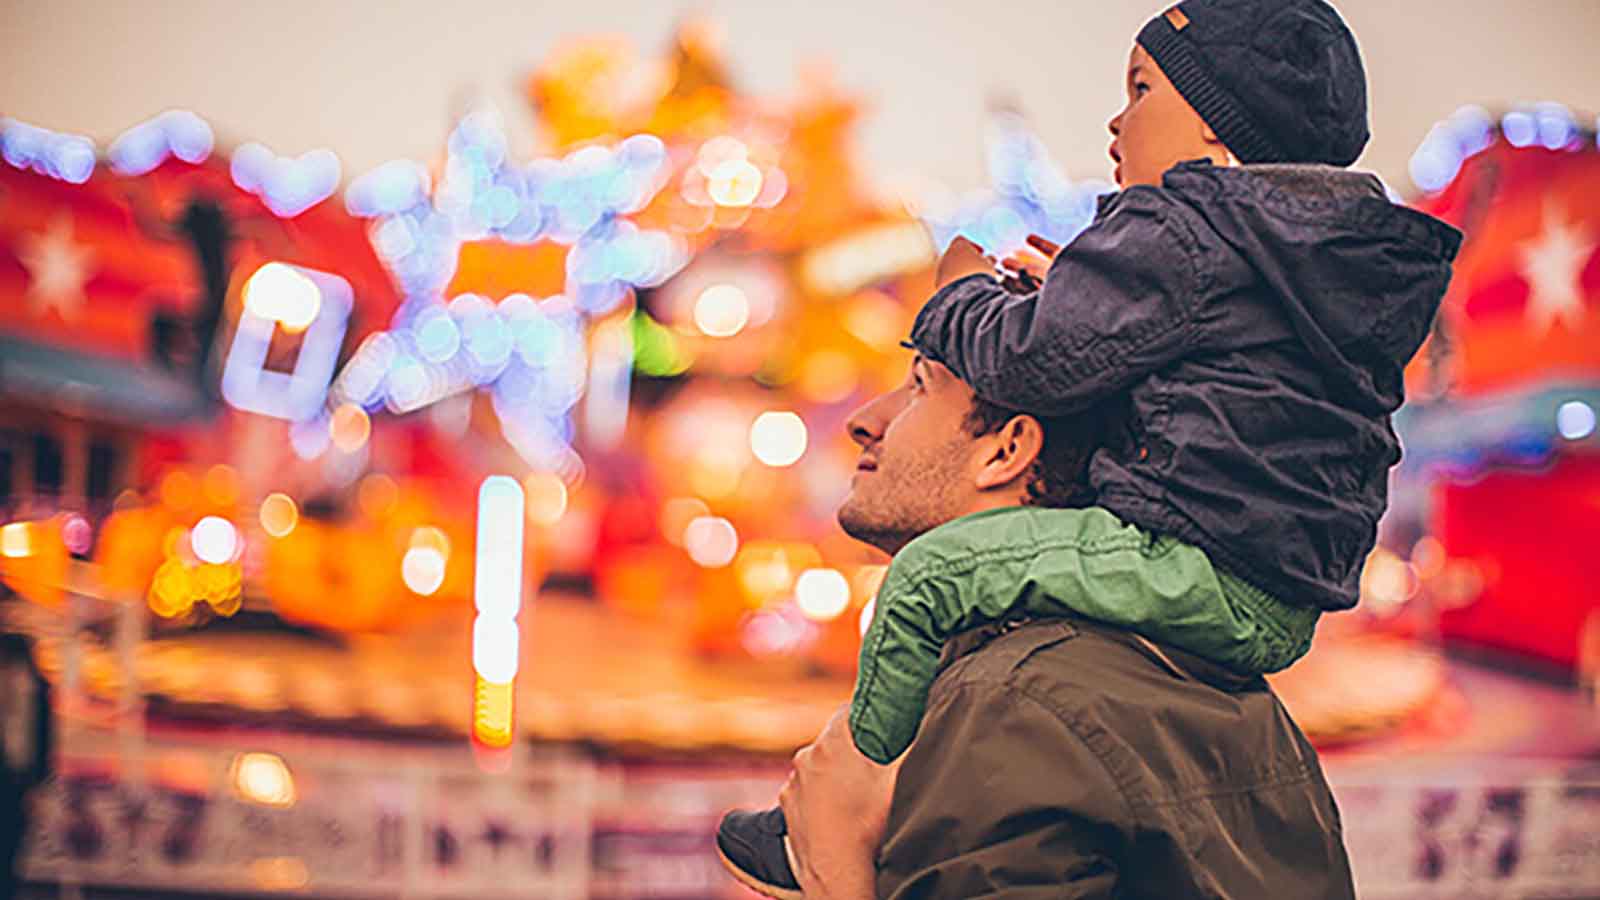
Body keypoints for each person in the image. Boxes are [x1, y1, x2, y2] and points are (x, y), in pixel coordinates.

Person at [719, 0, 1461, 894]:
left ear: (1214, 126)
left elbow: (1037, 357)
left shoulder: (1016, 707)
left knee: (929, 577)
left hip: (1191, 556)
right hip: (1282, 596)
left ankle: (854, 790)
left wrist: (958, 301)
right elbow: (1209, 370)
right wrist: (1083, 290)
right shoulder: (1307, 262)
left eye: (1141, 89)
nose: (1117, 119)